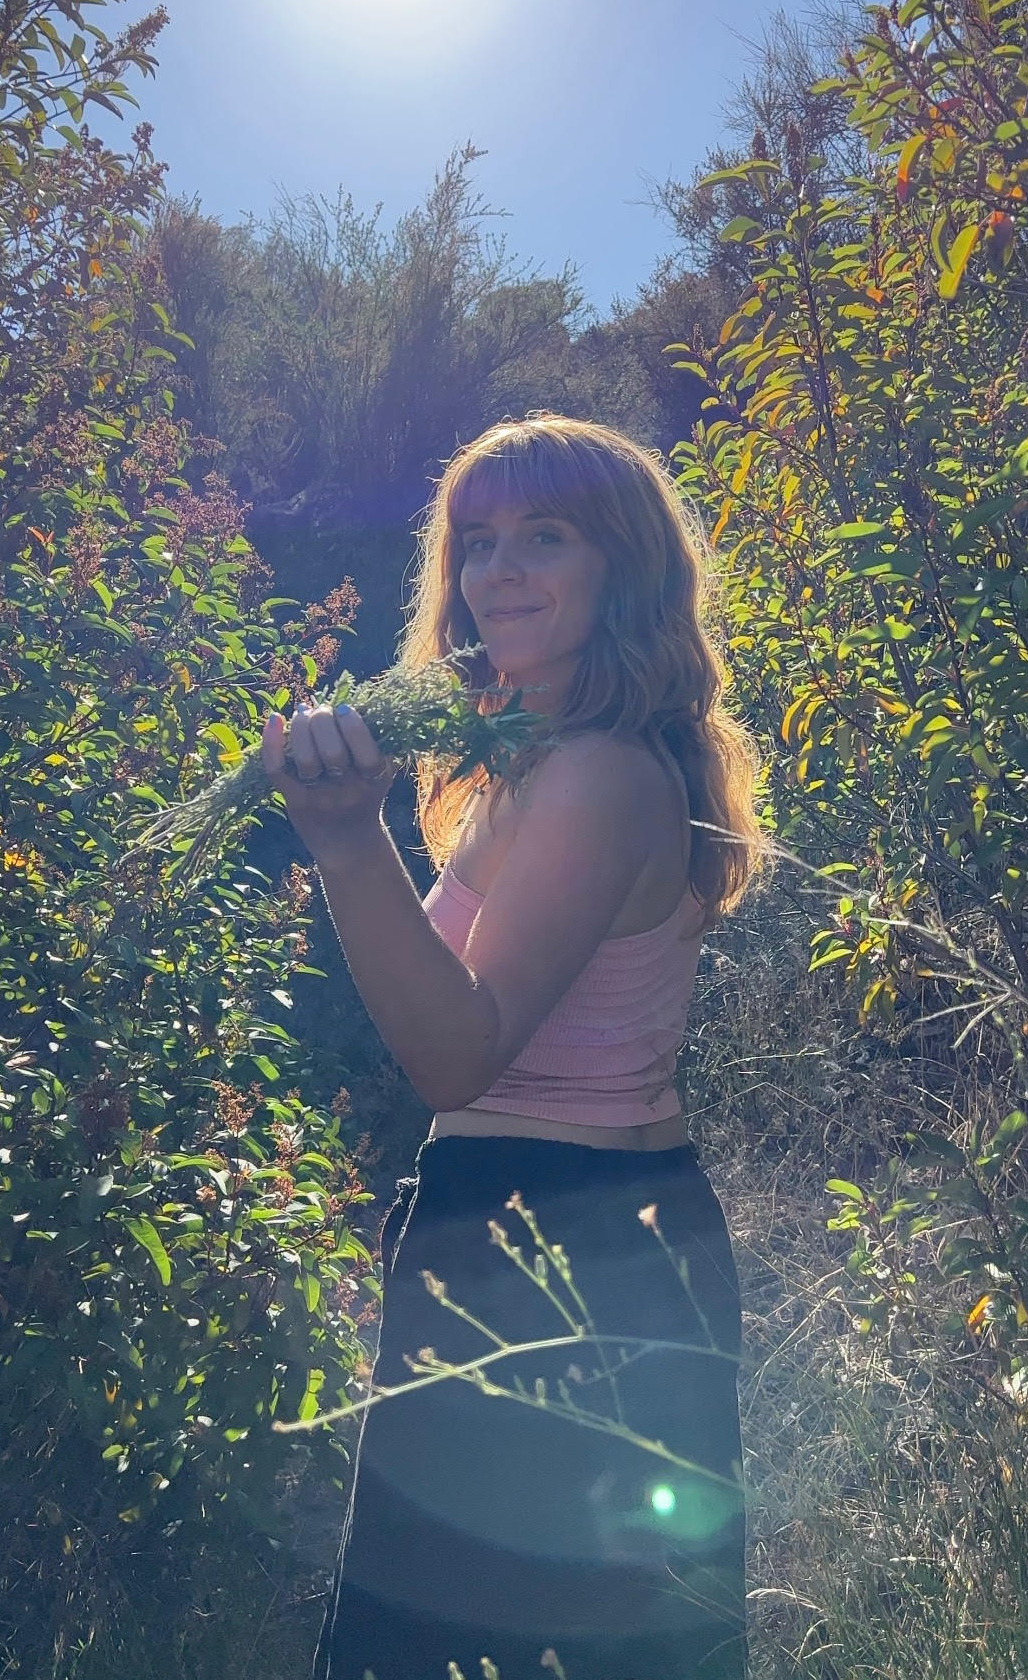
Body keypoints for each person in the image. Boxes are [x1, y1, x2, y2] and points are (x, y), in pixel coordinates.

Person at [261, 412, 771, 1680]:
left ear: (628, 567)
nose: (500, 571)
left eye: (547, 535)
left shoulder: (601, 773)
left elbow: (458, 1055)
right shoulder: (528, 769)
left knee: (484, 1644)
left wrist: (344, 840)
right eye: (477, 542)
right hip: (548, 1228)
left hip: (565, 1243)